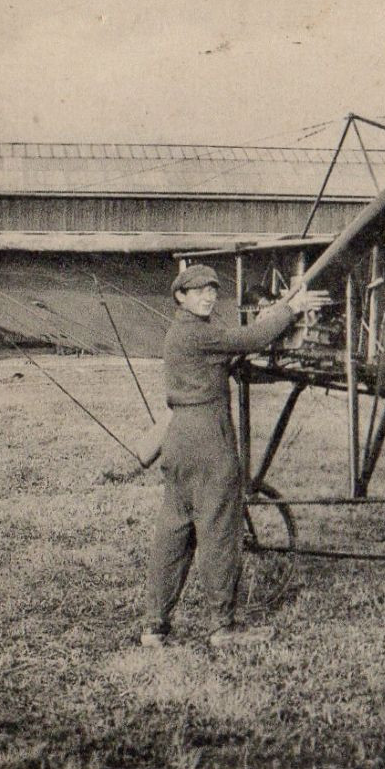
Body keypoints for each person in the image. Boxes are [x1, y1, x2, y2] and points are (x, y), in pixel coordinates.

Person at [141, 263, 328, 648]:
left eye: (213, 290)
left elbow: (230, 351)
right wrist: (289, 310)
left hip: (179, 439)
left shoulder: (184, 332)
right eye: (199, 291)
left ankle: (154, 626)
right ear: (181, 296)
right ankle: (222, 627)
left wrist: (270, 315)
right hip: (209, 438)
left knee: (175, 532)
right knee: (220, 532)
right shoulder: (199, 334)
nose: (209, 296)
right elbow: (252, 339)